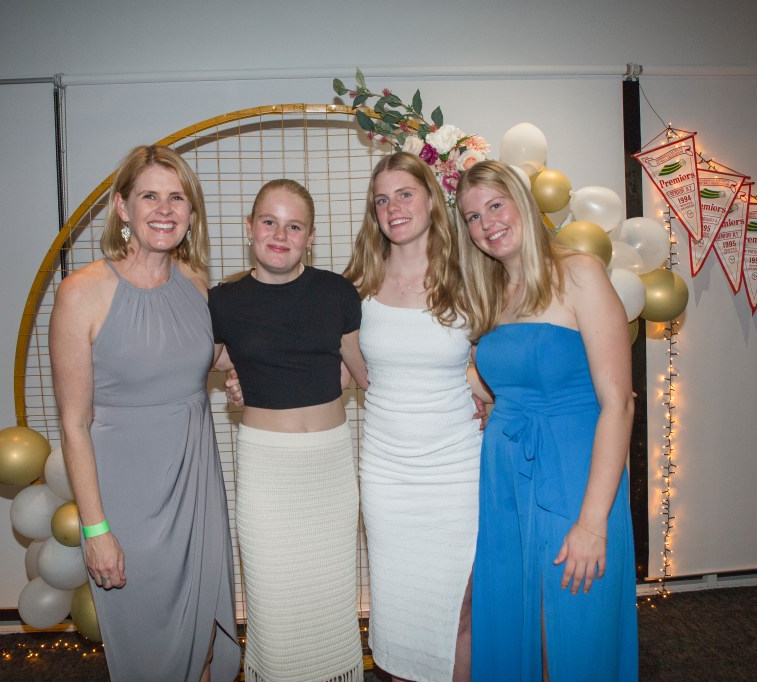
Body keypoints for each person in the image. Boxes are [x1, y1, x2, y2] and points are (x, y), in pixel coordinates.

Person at [49, 145, 240, 681]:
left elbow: (201, 356)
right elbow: (73, 424)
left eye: (177, 198)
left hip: (197, 491)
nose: (164, 209)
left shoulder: (195, 282)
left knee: (205, 639)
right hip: (127, 503)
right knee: (148, 648)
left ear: (191, 212)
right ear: (122, 207)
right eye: (149, 196)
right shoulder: (81, 293)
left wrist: (240, 371)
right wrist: (96, 530)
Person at [455, 160, 638, 681]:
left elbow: (619, 403)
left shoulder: (579, 272)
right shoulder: (493, 293)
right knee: (515, 623)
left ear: (523, 202)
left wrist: (592, 523)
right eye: (472, 216)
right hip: (505, 479)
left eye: (495, 205)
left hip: (574, 476)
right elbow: (503, 379)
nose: (486, 223)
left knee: (571, 629)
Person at [208, 179, 368, 681]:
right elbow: (208, 360)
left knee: (331, 600)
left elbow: (362, 371)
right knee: (275, 606)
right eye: (269, 222)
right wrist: (234, 377)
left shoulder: (337, 292)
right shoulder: (222, 301)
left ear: (311, 236)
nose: (280, 235)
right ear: (249, 227)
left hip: (329, 470)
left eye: (294, 226)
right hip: (266, 472)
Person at [342, 151, 485, 682]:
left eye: (405, 194)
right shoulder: (356, 284)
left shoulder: (471, 274)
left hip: (457, 466)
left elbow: (502, 353)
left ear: (431, 199)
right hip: (387, 470)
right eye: (382, 199)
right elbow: (350, 372)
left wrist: (480, 382)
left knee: (459, 606)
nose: (393, 207)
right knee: (400, 612)